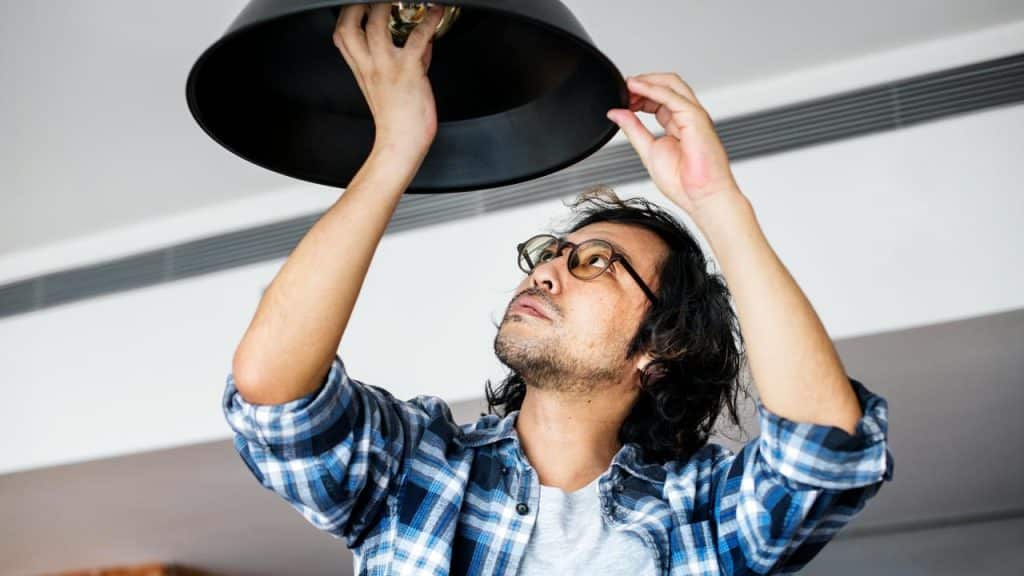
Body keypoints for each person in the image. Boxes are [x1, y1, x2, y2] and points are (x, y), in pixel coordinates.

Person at [222, 4, 894, 575]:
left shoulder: (702, 513)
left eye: (596, 262)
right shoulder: (415, 470)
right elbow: (273, 394)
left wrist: (715, 202)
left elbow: (823, 449)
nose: (545, 271)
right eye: (552, 254)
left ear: (659, 350)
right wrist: (395, 149)